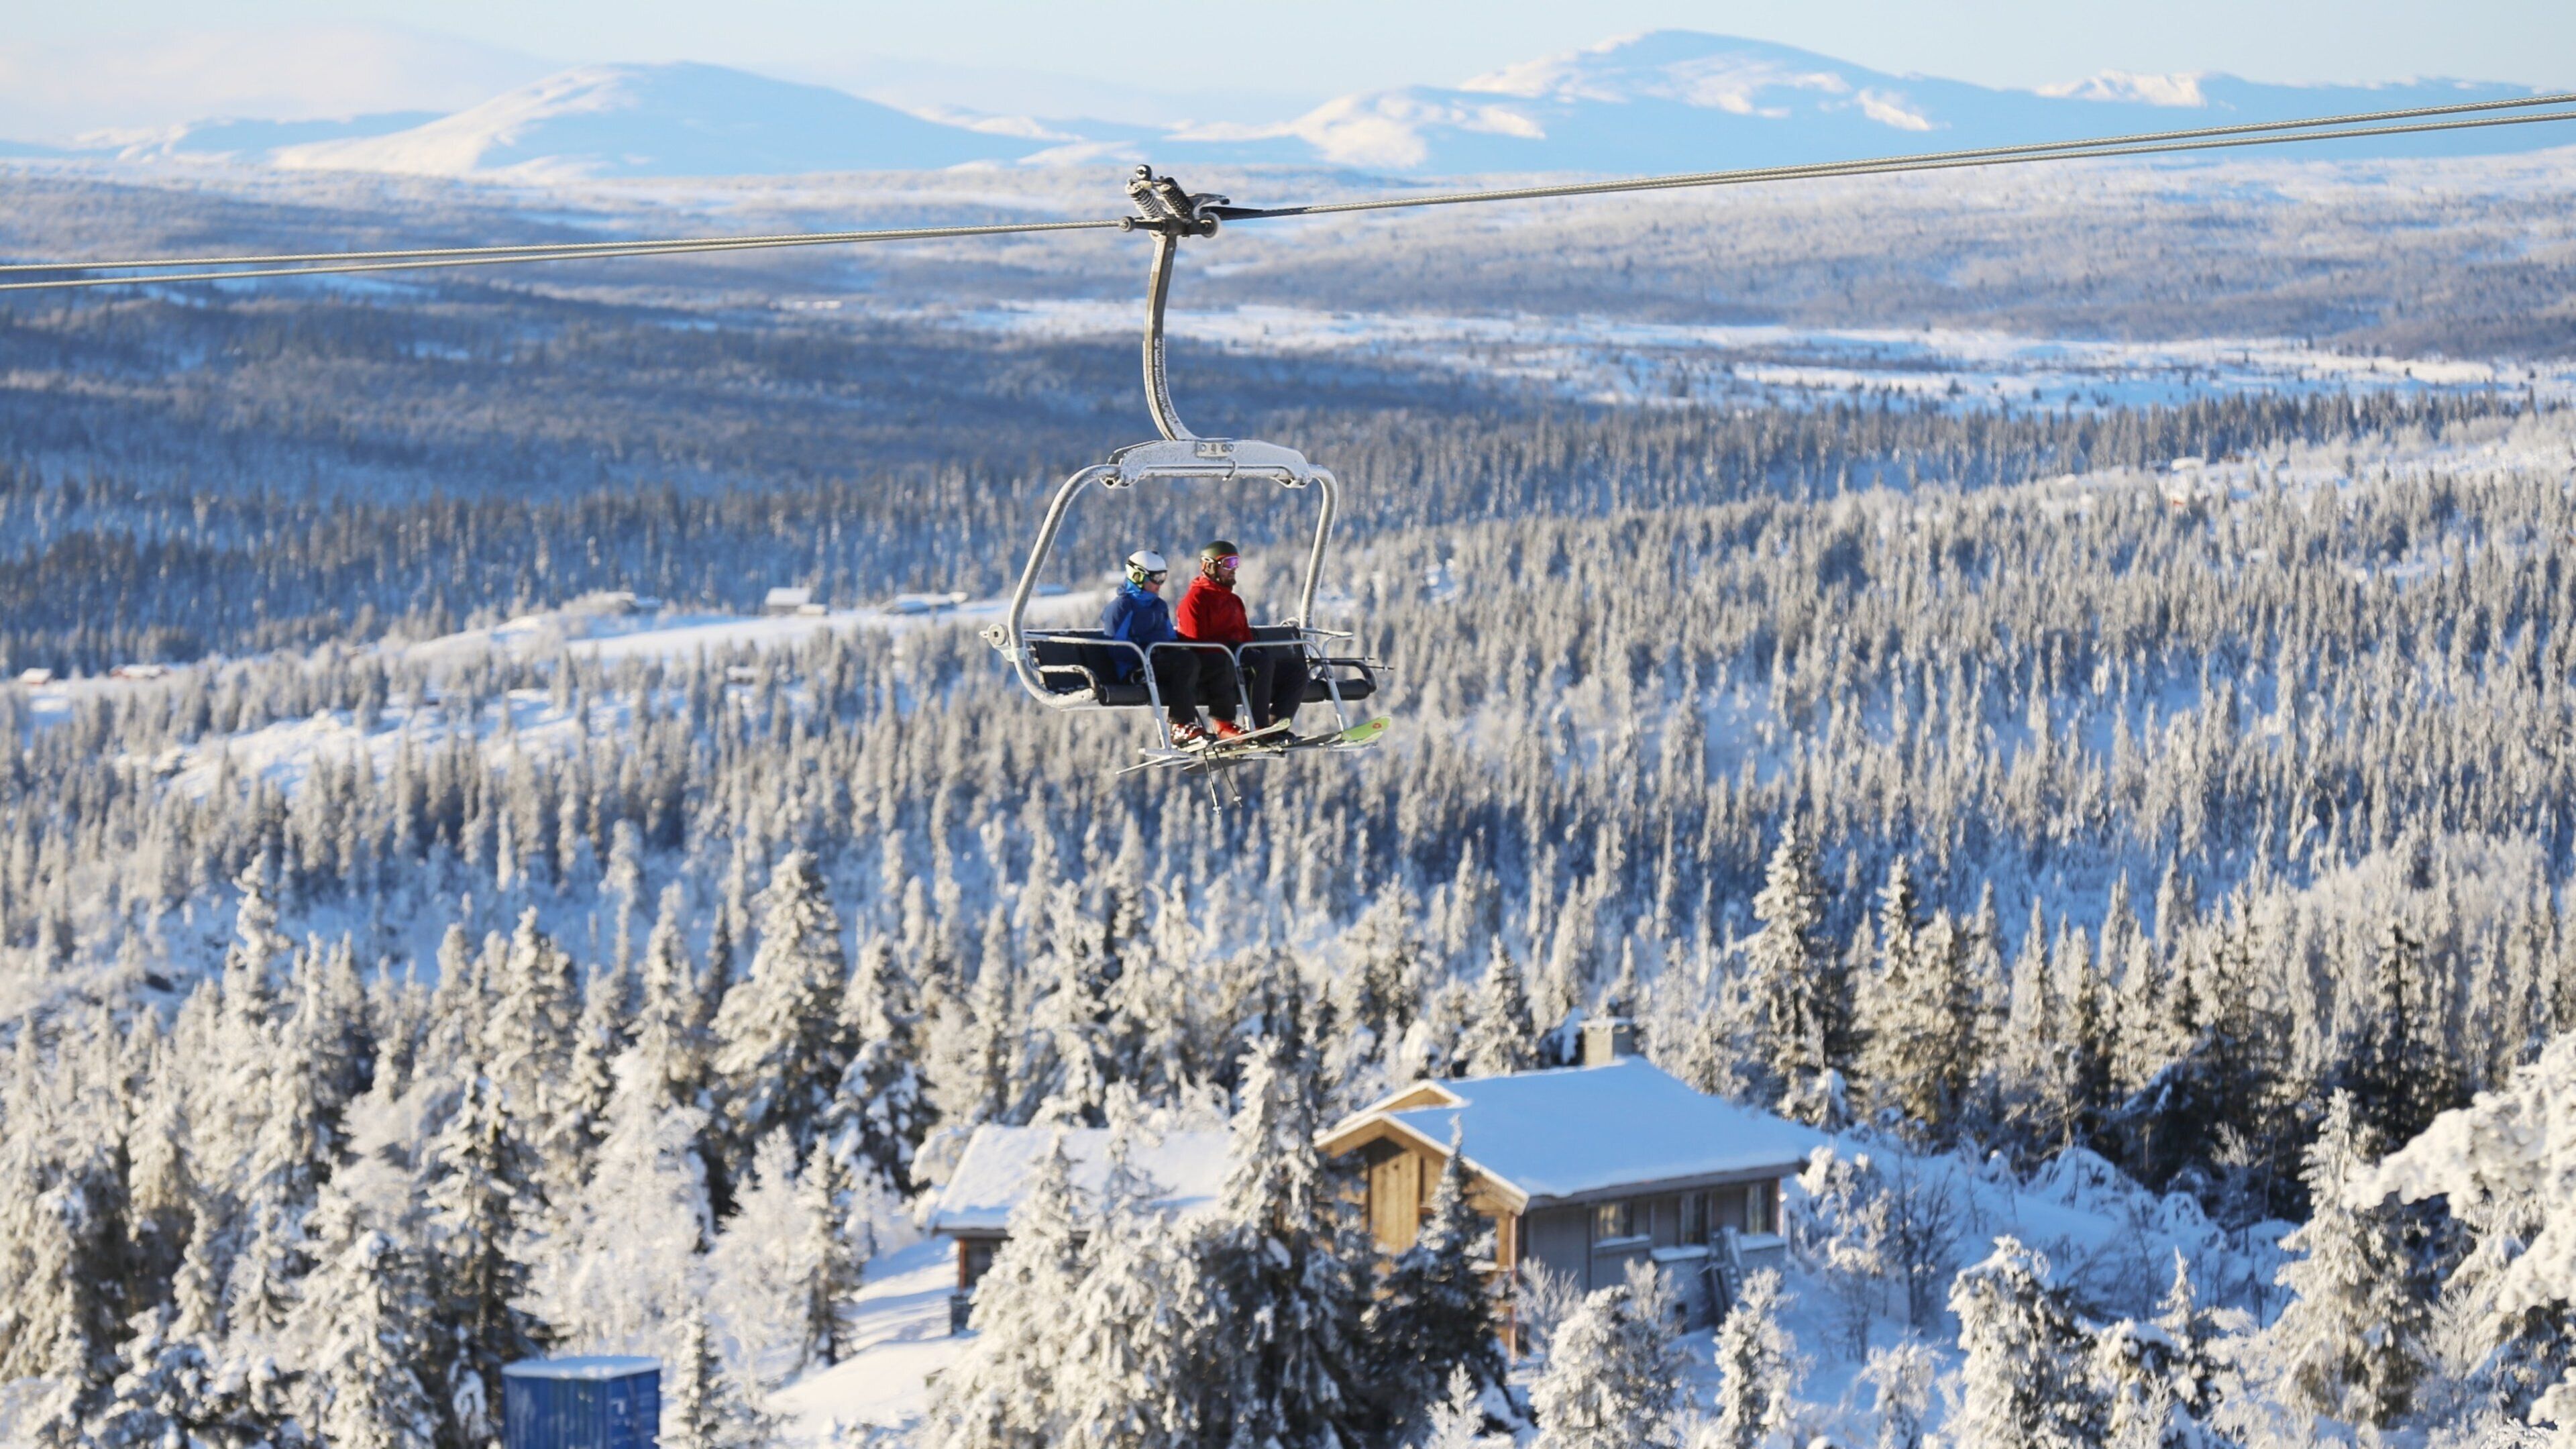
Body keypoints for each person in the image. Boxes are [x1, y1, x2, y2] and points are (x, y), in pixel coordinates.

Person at [1176, 539, 1308, 740]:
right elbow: (1195, 643)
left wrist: (1247, 650)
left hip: (1239, 659)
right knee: (1260, 663)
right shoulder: (1195, 600)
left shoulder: (1234, 601)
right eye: (1228, 564)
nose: (1233, 569)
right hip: (1215, 665)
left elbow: (1245, 637)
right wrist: (1232, 651)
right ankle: (1259, 727)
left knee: (1295, 670)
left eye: (1236, 563)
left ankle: (1276, 726)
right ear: (1209, 566)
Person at [1099, 547, 1230, 745]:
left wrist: (1185, 648)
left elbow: (1170, 638)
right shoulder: (1122, 607)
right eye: (1156, 578)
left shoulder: (1158, 606)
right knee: (1186, 662)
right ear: (1137, 576)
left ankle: (1224, 725)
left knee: (1218, 661)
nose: (1160, 584)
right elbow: (1116, 647)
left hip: (1163, 663)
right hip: (1138, 670)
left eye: (1163, 577)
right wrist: (1150, 654)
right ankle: (1180, 725)